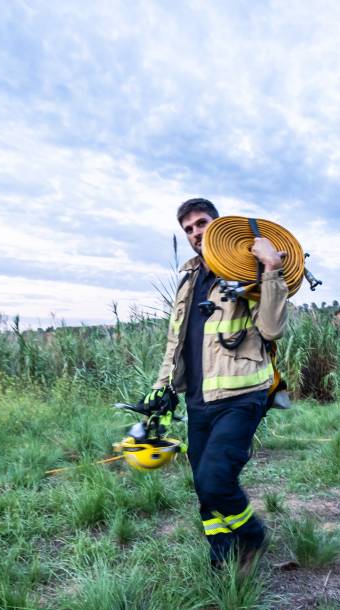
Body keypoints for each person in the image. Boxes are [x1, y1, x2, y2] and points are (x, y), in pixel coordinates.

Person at [138, 198, 289, 569]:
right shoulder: (189, 279)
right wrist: (163, 388)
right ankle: (221, 554)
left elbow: (272, 328)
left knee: (215, 479)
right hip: (199, 399)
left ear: (218, 225)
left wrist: (270, 268)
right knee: (203, 485)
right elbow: (176, 342)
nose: (194, 233)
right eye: (187, 229)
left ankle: (252, 535)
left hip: (241, 394)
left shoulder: (246, 268)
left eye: (201, 223)